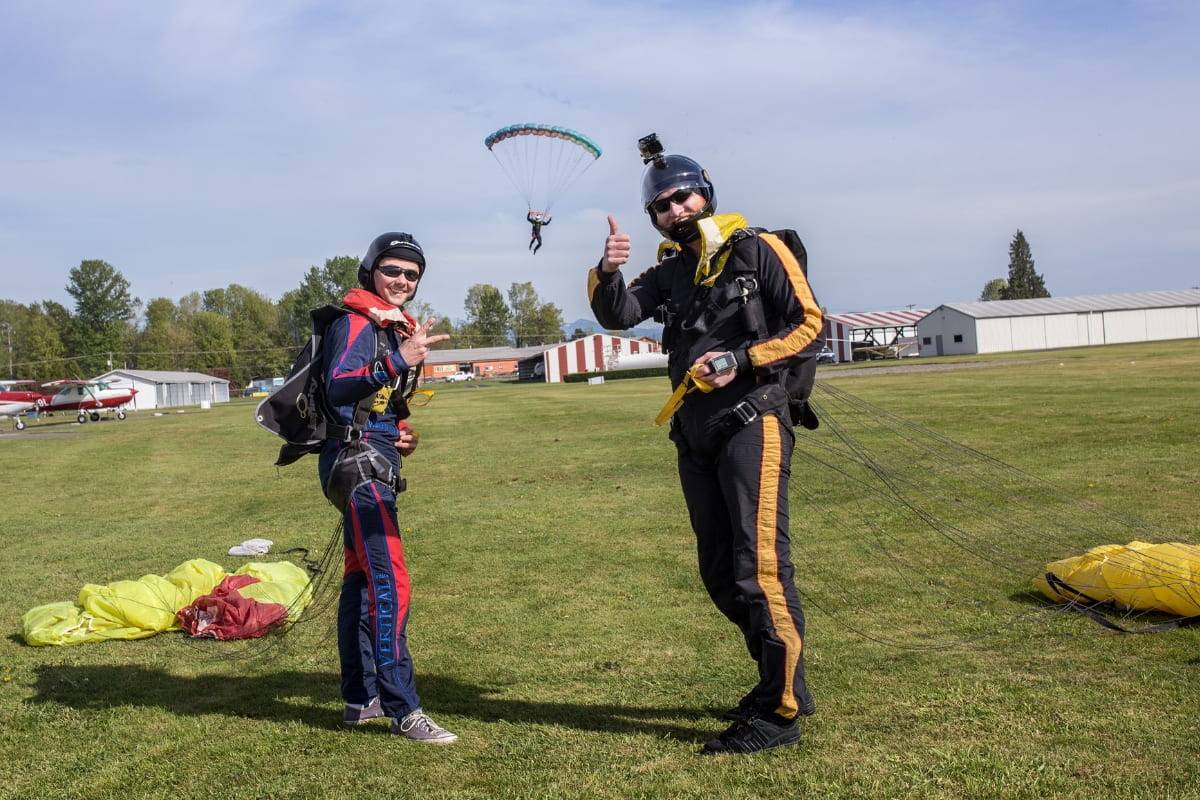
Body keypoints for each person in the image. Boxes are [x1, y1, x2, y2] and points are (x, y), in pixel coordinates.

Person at [586, 142, 824, 755]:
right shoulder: (670, 269)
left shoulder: (759, 249)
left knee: (759, 568)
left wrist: (742, 359)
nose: (673, 209)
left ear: (706, 193)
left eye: (681, 196)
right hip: (694, 434)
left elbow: (809, 323)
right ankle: (781, 677)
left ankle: (781, 708)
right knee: (720, 572)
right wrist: (608, 271)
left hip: (753, 421)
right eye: (660, 206)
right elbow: (620, 313)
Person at [317, 231, 456, 744]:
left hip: (369, 454)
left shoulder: (391, 328)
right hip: (354, 465)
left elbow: (378, 403)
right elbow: (338, 385)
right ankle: (404, 708)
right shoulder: (357, 322)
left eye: (411, 274)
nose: (401, 280)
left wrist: (399, 429)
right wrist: (398, 359)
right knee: (388, 581)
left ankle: (361, 698)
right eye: (392, 270)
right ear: (371, 271)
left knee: (360, 576)